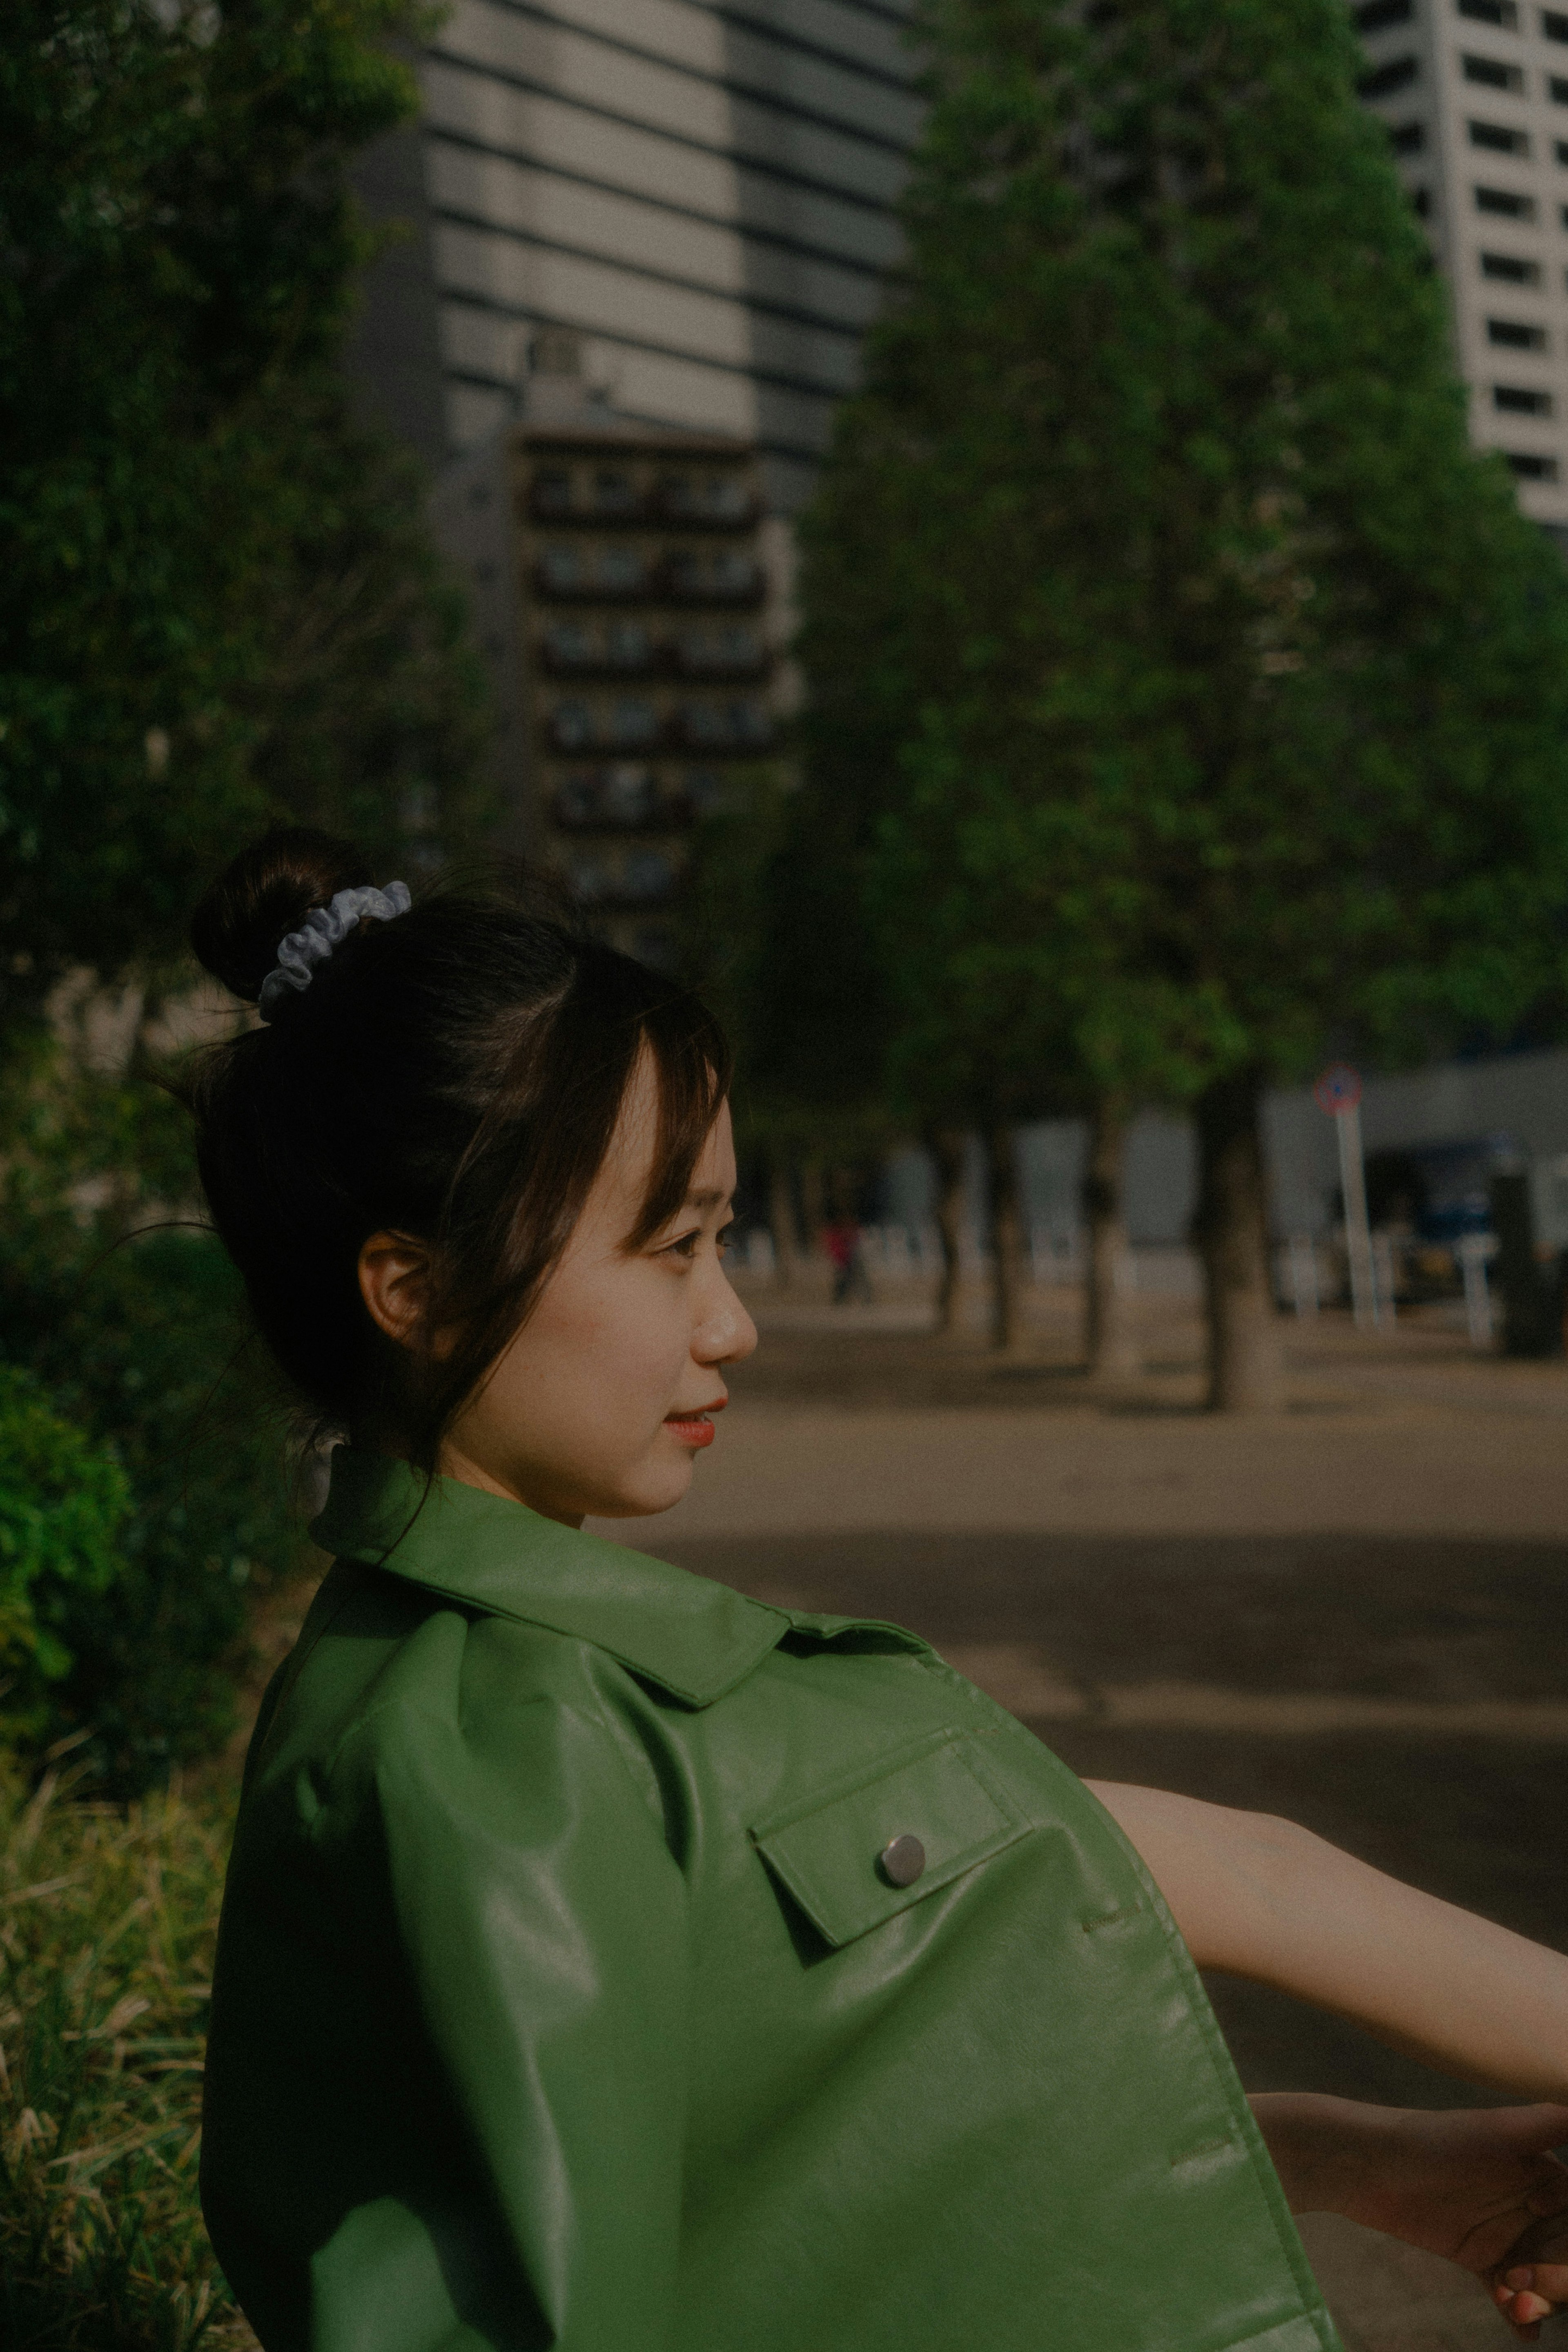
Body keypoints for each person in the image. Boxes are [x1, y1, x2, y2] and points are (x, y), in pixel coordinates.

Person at [190, 831, 1568, 2352]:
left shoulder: (529, 1686)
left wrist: (1332, 2160)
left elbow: (784, 2184)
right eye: (673, 1248)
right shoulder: (507, 1752)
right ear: (421, 1287)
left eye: (723, 1237)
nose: (736, 1322)